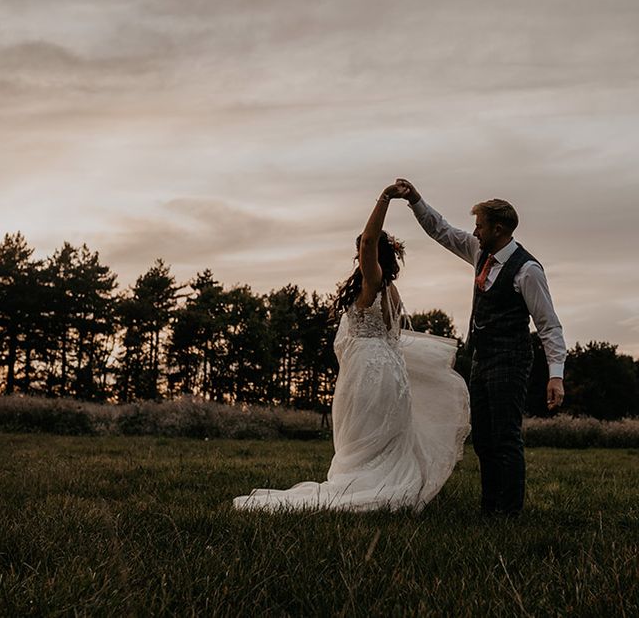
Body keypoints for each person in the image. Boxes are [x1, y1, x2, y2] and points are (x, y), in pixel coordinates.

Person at [233, 185, 470, 512]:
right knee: (378, 440)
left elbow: (370, 240)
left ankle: (366, 487)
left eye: (363, 252)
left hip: (368, 375)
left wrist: (385, 198)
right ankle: (388, 483)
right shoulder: (390, 289)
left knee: (361, 441)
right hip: (389, 373)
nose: (360, 255)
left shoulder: (374, 279)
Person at [393, 179, 566, 517]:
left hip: (512, 359)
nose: (474, 232)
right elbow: (441, 230)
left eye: (479, 225)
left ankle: (509, 513)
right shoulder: (479, 252)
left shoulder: (527, 270)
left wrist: (555, 375)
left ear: (497, 228)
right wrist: (415, 199)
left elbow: (549, 325)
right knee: (484, 439)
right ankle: (489, 509)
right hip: (482, 358)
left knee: (505, 437)